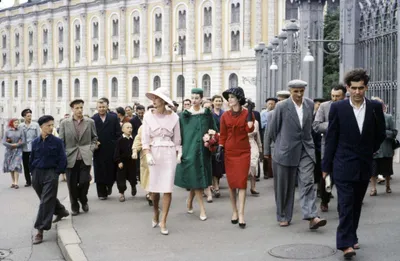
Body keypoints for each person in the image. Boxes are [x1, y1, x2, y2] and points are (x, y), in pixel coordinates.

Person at [322, 69, 385, 258]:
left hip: (364, 163)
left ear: (366, 87)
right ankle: (345, 243)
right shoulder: (338, 108)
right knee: (345, 203)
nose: (357, 92)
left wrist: (369, 149)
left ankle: (352, 235)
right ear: (348, 88)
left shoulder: (374, 107)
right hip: (342, 163)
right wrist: (326, 166)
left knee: (356, 202)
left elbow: (380, 133)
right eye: (354, 88)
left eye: (361, 88)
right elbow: (331, 137)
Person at [267, 80, 327, 229]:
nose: (299, 94)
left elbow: (309, 127)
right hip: (285, 150)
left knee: (307, 181)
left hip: (306, 149)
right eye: (296, 91)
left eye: (301, 91)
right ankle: (283, 215)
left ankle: (312, 216)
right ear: (290, 91)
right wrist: (278, 147)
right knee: (284, 186)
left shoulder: (309, 104)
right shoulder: (281, 106)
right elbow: (273, 130)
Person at [142, 87, 181, 235]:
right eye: (153, 98)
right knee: (154, 188)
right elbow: (145, 139)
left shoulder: (174, 117)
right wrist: (147, 154)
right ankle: (155, 212)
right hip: (154, 153)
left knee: (167, 187)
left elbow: (177, 139)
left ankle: (164, 220)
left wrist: (178, 154)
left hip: (169, 153)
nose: (154, 101)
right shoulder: (148, 116)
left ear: (164, 101)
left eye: (157, 98)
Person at [175, 88, 215, 221]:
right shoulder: (184, 115)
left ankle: (189, 201)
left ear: (202, 99)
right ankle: (202, 209)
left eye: (197, 98)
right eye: (192, 97)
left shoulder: (206, 113)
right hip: (189, 151)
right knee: (196, 178)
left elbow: (214, 129)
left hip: (203, 151)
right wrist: (179, 151)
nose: (194, 100)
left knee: (197, 177)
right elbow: (179, 135)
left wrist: (210, 137)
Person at [217, 87, 254, 228]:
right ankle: (234, 211)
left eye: (232, 97)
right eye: (229, 97)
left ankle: (242, 214)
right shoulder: (225, 116)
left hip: (243, 151)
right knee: (232, 184)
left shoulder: (246, 114)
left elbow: (249, 129)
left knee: (242, 182)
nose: (229, 100)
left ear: (239, 98)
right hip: (230, 152)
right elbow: (223, 135)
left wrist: (250, 112)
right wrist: (220, 147)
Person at [30, 115, 69, 245]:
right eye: (48, 125)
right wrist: (32, 172)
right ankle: (61, 210)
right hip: (37, 173)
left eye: (52, 125)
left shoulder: (57, 142)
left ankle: (40, 230)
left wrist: (57, 173)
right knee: (46, 198)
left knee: (45, 200)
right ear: (41, 126)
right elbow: (32, 158)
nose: (51, 128)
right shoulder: (35, 142)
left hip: (51, 173)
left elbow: (63, 158)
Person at [59, 99, 98, 216]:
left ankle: (83, 199)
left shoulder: (90, 122)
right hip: (70, 157)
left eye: (81, 107)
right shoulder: (64, 123)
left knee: (84, 181)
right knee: (71, 184)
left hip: (85, 156)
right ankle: (74, 206)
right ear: (72, 109)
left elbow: (94, 138)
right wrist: (64, 155)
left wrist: (90, 149)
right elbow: (61, 141)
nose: (79, 110)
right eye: (77, 108)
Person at [312, 84, 346, 212]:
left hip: (345, 147)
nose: (335, 98)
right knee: (326, 174)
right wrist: (333, 125)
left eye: (338, 96)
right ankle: (324, 200)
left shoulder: (349, 106)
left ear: (344, 96)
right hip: (328, 146)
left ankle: (343, 204)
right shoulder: (324, 107)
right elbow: (316, 126)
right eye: (333, 96)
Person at [92, 100, 122, 200]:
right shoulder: (93, 119)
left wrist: (116, 145)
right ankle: (101, 193)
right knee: (99, 170)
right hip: (98, 149)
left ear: (107, 107)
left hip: (111, 148)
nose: (101, 109)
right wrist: (94, 143)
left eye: (103, 107)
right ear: (97, 108)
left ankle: (109, 186)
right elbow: (90, 134)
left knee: (110, 170)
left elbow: (118, 133)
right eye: (99, 107)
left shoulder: (113, 118)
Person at [369, 97, 397, 195]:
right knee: (372, 170)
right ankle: (373, 189)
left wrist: (383, 132)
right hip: (373, 149)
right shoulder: (369, 117)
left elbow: (394, 132)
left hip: (386, 148)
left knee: (387, 170)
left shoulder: (388, 117)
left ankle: (388, 186)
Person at [263, 91, 290, 179]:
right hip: (276, 147)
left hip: (291, 148)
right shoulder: (271, 114)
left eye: (284, 101)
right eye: (279, 101)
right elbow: (268, 134)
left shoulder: (294, 113)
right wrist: (266, 151)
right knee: (278, 173)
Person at [114, 122, 137, 202]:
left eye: (131, 127)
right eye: (127, 127)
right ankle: (121, 193)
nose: (129, 129)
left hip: (132, 161)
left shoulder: (134, 139)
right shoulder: (120, 140)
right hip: (122, 162)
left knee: (133, 177)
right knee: (121, 178)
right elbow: (116, 152)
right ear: (122, 129)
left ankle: (133, 186)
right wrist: (118, 161)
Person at [19, 109, 41, 187]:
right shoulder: (21, 126)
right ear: (24, 117)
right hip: (25, 149)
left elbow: (39, 136)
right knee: (26, 165)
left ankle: (36, 179)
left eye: (30, 116)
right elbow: (19, 137)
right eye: (28, 116)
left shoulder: (35, 125)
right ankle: (28, 181)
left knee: (35, 165)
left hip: (34, 148)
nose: (29, 117)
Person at [2, 118, 25, 189]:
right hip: (9, 151)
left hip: (18, 150)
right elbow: (3, 142)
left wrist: (17, 145)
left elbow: (23, 141)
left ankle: (16, 183)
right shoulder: (7, 131)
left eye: (17, 123)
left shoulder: (21, 130)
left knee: (16, 166)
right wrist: (11, 145)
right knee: (11, 167)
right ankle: (13, 182)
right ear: (12, 123)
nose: (17, 124)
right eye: (15, 123)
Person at [210, 95, 225, 198]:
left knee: (220, 164)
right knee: (214, 163)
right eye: (216, 101)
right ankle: (214, 186)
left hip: (223, 141)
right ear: (213, 102)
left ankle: (216, 184)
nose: (218, 103)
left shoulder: (224, 114)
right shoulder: (210, 114)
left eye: (220, 101)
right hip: (212, 142)